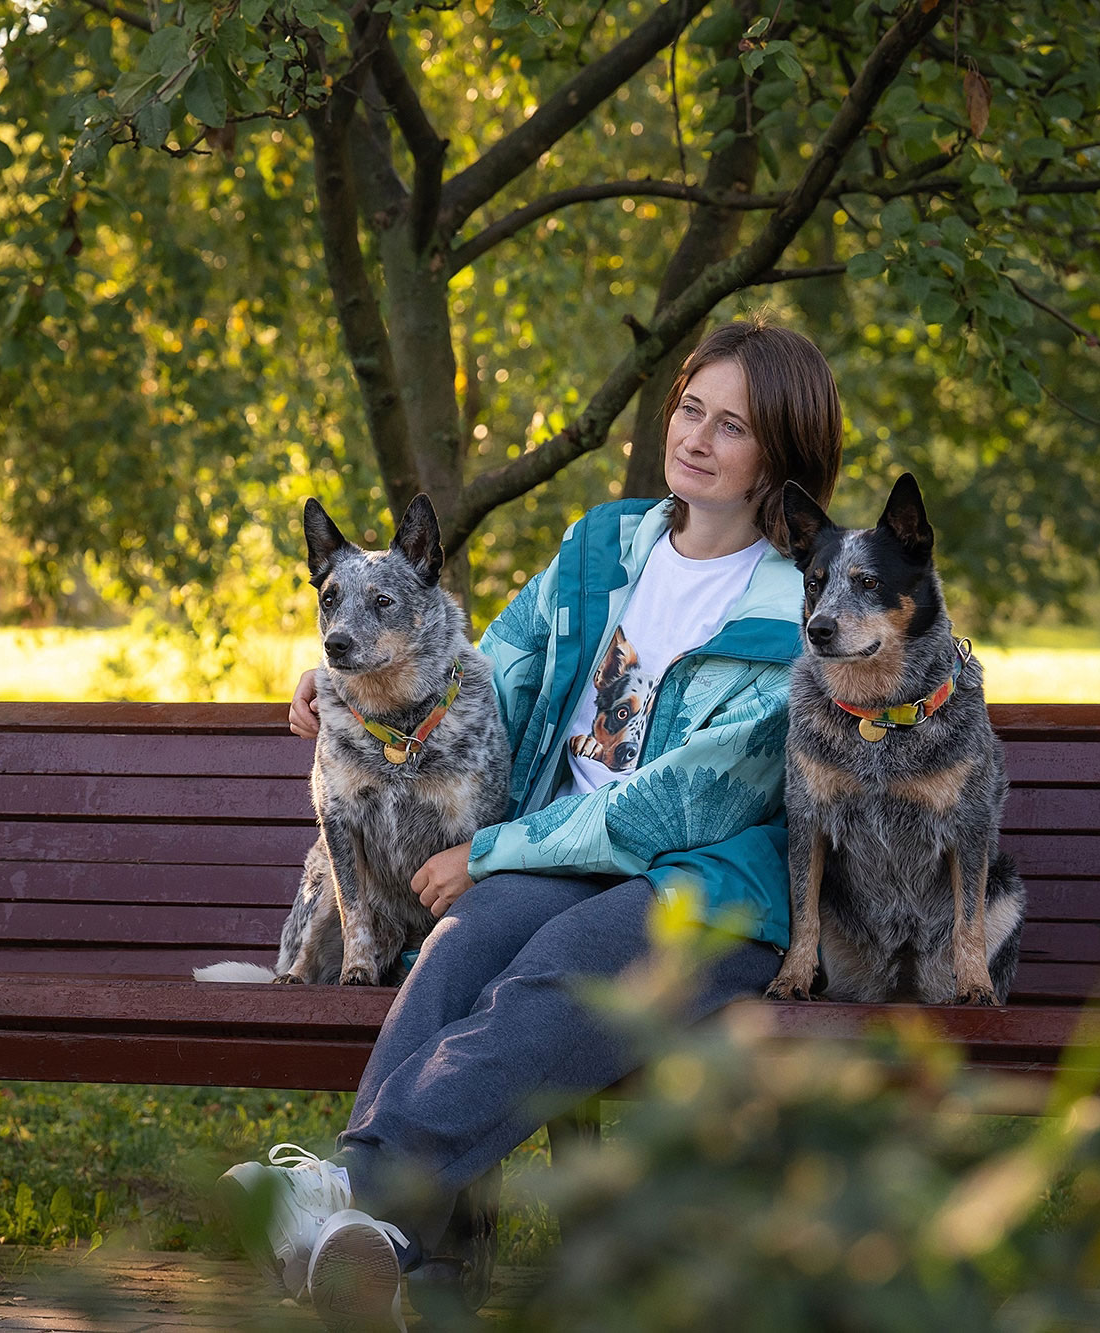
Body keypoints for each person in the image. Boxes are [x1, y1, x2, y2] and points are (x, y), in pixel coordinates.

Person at [222, 318, 845, 1331]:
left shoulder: (797, 608)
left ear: (778, 453)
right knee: (458, 948)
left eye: (729, 426)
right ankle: (382, 1256)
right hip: (551, 849)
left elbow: (682, 801)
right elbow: (491, 673)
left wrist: (498, 848)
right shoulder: (604, 544)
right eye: (689, 407)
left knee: (548, 964)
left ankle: (349, 1205)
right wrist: (358, 682)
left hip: (704, 886)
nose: (694, 436)